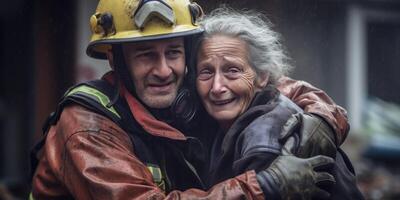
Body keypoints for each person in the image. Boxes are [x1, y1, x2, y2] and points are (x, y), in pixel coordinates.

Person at [31, 0, 347, 199]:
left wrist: (322, 117)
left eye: (173, 53)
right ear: (116, 61)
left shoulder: (187, 93)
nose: (164, 70)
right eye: (145, 56)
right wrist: (265, 185)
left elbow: (267, 85)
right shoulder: (88, 128)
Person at [194, 7, 364, 199]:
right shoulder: (246, 116)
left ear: (262, 76)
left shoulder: (265, 136)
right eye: (206, 72)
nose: (217, 87)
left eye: (232, 71)